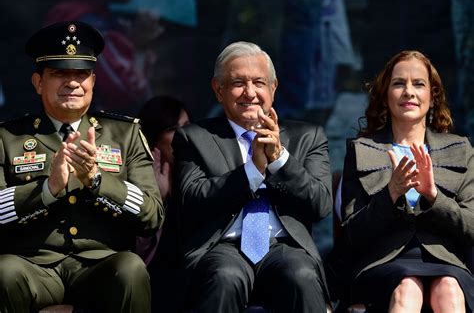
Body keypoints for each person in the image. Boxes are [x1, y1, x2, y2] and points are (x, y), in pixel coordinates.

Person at [0, 21, 163, 312]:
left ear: (93, 81)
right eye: (60, 73)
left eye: (81, 74)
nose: (72, 82)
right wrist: (47, 190)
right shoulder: (8, 137)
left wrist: (98, 181)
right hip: (33, 268)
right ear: (38, 82)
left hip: (102, 266)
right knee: (4, 270)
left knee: (131, 268)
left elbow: (152, 216)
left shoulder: (124, 134)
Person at [172, 41, 333, 312]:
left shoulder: (308, 136)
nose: (250, 93)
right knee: (225, 277)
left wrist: (279, 160)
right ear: (218, 89)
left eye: (259, 82)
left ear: (273, 87)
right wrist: (253, 171)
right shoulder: (194, 137)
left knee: (302, 275)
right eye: (238, 83)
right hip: (224, 246)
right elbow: (190, 201)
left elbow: (320, 204)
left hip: (284, 247)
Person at [341, 50, 473, 312]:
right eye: (399, 83)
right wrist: (391, 193)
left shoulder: (461, 148)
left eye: (419, 84)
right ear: (385, 95)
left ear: (432, 96)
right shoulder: (361, 149)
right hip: (382, 262)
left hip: (446, 261)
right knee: (408, 288)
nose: (409, 92)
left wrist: (434, 197)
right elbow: (351, 234)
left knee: (448, 288)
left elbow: (471, 226)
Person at [136, 95, 190, 311]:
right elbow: (138, 254)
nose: (184, 135)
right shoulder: (137, 180)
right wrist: (156, 199)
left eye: (187, 126)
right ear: (153, 139)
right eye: (173, 128)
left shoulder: (203, 175)